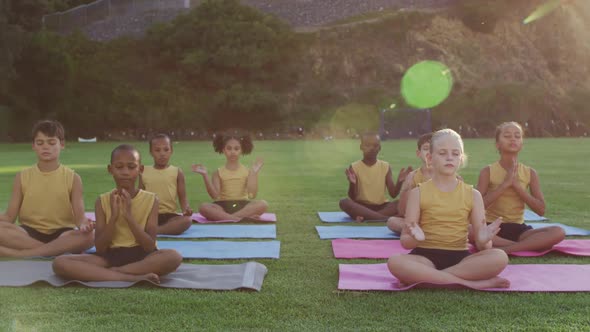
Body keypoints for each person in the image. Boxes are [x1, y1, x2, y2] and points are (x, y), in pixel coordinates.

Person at [388, 129, 510, 290]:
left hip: (460, 258)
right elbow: (405, 241)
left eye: (455, 153)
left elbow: (483, 246)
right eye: (443, 153)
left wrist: (484, 239)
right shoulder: (417, 193)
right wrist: (416, 238)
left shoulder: (473, 195)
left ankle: (428, 278)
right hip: (424, 256)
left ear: (461, 159)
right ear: (430, 158)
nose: (449, 157)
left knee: (499, 257)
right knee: (395, 262)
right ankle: (472, 284)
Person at [52, 144, 182, 283]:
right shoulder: (102, 201)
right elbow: (101, 248)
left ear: (141, 169)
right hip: (110, 257)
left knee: (173, 257)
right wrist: (113, 217)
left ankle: (112, 273)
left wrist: (128, 216)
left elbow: (149, 246)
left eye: (131, 167)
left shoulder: (151, 199)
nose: (125, 172)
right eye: (119, 167)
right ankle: (130, 277)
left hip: (142, 256)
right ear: (110, 169)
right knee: (60, 262)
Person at [0, 120, 94, 257]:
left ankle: (24, 254)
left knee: (90, 236)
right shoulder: (22, 177)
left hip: (62, 234)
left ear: (61, 145)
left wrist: (86, 225)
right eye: (40, 143)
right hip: (28, 234)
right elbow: (9, 217)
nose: (45, 147)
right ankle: (51, 251)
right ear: (33, 146)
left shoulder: (73, 178)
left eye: (51, 143)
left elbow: (80, 219)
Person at [476, 121, 564, 253]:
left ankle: (506, 249)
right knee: (469, 230)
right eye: (507, 136)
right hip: (492, 227)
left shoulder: (530, 173)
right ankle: (526, 246)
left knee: (558, 232)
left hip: (519, 229)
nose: (513, 139)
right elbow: (477, 206)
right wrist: (504, 185)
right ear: (497, 144)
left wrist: (517, 186)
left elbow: (541, 210)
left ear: (521, 144)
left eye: (517, 136)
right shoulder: (487, 171)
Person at [192, 131, 268, 221]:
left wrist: (254, 173)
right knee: (203, 207)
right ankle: (240, 218)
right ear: (224, 150)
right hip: (222, 206)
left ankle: (228, 218)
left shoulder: (247, 171)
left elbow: (252, 195)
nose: (233, 152)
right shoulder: (217, 173)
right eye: (229, 149)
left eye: (236, 149)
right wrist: (205, 175)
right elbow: (214, 196)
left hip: (243, 205)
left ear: (241, 150)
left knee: (263, 204)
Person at [339, 132, 411, 222]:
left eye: (375, 145)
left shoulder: (385, 166)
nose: (372, 148)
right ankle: (384, 218)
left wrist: (400, 182)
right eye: (368, 145)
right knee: (344, 202)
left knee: (402, 202)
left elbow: (393, 194)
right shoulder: (354, 167)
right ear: (361, 147)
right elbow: (353, 197)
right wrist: (352, 183)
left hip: (382, 206)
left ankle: (366, 217)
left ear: (379, 148)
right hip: (362, 206)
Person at [139, 134, 192, 235]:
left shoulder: (177, 171)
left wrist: (186, 210)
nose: (162, 154)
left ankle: (156, 231)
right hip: (150, 214)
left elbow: (183, 197)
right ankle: (160, 229)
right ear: (151, 152)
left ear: (171, 151)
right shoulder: (144, 171)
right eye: (157, 150)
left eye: (166, 150)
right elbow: (139, 195)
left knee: (187, 221)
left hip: (169, 216)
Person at [387, 133, 432, 232]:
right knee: (392, 221)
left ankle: (428, 233)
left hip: (443, 222)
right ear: (418, 153)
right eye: (426, 148)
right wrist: (407, 188)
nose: (430, 153)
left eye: (434, 149)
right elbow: (402, 212)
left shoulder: (450, 175)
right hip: (418, 222)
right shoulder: (413, 177)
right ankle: (424, 233)